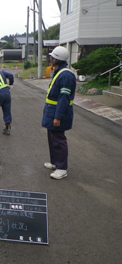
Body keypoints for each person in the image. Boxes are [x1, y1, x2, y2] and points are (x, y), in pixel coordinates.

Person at [42, 46, 76, 180]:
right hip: (52, 111)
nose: (51, 59)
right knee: (52, 138)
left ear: (57, 59)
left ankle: (62, 168)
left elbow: (64, 98)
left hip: (58, 112)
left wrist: (58, 117)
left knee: (58, 140)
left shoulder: (66, 75)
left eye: (53, 57)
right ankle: (55, 163)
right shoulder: (59, 72)